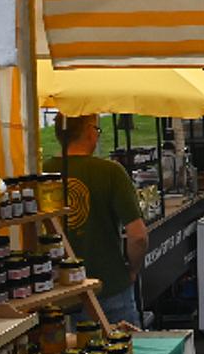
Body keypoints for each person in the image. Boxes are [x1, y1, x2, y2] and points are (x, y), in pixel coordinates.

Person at [44, 114, 148, 327]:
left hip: (58, 291)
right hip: (109, 287)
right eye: (98, 131)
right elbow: (138, 237)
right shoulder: (110, 172)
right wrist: (132, 270)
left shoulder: (43, 172)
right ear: (90, 131)